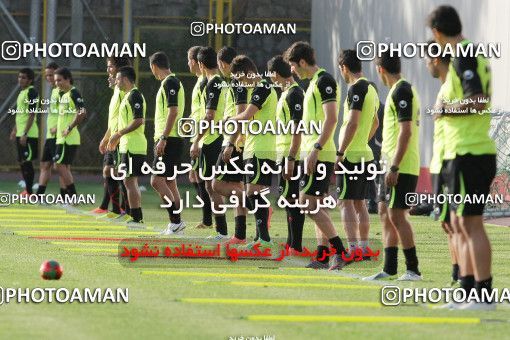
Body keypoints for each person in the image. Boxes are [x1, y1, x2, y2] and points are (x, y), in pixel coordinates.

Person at [428, 5, 496, 310]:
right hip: (462, 151)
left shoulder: (464, 54)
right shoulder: (467, 54)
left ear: (437, 33)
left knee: (470, 224)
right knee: (460, 222)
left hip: (470, 150)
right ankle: (467, 292)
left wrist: (447, 110)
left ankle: (483, 293)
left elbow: (478, 99)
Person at [284, 41, 348, 270]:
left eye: (292, 65)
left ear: (302, 62)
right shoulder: (313, 84)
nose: (291, 71)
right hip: (313, 152)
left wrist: (317, 149)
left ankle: (340, 251)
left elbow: (331, 119)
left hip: (319, 153)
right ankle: (322, 256)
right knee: (317, 205)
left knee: (307, 204)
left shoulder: (324, 81)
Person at [363, 51, 422, 281]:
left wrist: (395, 166)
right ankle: (389, 269)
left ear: (380, 70)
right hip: (389, 163)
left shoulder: (402, 91)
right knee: (384, 212)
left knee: (397, 215)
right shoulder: (397, 92)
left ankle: (413, 269)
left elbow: (406, 131)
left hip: (402, 165)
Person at [224, 55, 277, 247]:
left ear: (247, 73)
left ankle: (264, 238)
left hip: (261, 149)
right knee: (251, 193)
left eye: (239, 78)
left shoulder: (262, 88)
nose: (239, 82)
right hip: (253, 148)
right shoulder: (257, 89)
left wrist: (228, 120)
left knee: (253, 194)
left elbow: (246, 115)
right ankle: (260, 237)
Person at [336, 49, 379, 258]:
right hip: (365, 154)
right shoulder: (372, 88)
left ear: (344, 67)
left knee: (345, 203)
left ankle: (352, 249)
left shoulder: (356, 89)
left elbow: (352, 123)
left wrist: (341, 152)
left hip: (351, 156)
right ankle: (363, 247)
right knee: (360, 203)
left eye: (341, 71)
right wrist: (364, 141)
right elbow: (376, 121)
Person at [424, 39, 458, 287]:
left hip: (453, 162)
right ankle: (457, 273)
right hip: (440, 163)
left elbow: (478, 105)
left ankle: (466, 279)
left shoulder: (455, 83)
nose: (426, 65)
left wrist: (448, 110)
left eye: (427, 60)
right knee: (447, 224)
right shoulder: (444, 87)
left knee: (458, 224)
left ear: (435, 60)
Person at [189, 47, 229, 240]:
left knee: (213, 186)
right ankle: (219, 229)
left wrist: (196, 140)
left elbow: (210, 116)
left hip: (213, 140)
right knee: (210, 185)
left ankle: (222, 231)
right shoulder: (215, 83)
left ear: (201, 65)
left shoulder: (214, 84)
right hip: (213, 138)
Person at [267, 54, 305, 252]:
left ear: (275, 74)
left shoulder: (295, 94)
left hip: (293, 156)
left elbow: (298, 129)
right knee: (288, 199)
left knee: (293, 200)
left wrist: (291, 158)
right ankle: (291, 243)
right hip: (284, 154)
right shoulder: (285, 93)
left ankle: (295, 245)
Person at [211, 46, 249, 244]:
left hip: (236, 142)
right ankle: (240, 235)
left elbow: (242, 112)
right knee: (235, 186)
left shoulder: (237, 83)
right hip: (237, 141)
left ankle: (258, 205)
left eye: (220, 65)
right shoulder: (235, 83)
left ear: (223, 64)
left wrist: (231, 143)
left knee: (216, 184)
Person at [149, 51, 186, 235]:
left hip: (169, 139)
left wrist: (163, 138)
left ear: (154, 66)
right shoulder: (172, 82)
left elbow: (173, 111)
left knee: (156, 180)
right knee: (170, 182)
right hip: (172, 138)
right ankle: (176, 224)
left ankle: (176, 222)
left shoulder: (170, 82)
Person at [107, 66, 147, 227]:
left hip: (133, 145)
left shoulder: (135, 95)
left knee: (130, 181)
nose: (115, 82)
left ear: (124, 79)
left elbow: (139, 120)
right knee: (128, 181)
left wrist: (118, 134)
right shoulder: (128, 96)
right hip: (127, 145)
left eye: (117, 79)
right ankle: (134, 215)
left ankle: (136, 217)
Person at [94, 57, 131, 219]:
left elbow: (125, 117)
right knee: (110, 171)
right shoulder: (118, 88)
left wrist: (116, 136)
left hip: (121, 137)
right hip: (114, 135)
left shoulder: (125, 90)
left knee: (115, 172)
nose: (108, 70)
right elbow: (114, 116)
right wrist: (106, 136)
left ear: (118, 68)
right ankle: (117, 209)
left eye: (110, 66)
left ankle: (123, 209)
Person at [186, 46, 213, 230]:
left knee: (208, 180)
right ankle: (207, 218)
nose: (187, 64)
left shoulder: (205, 82)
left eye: (188, 60)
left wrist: (198, 137)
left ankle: (208, 219)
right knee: (194, 175)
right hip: (197, 134)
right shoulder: (199, 81)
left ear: (195, 62)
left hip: (205, 137)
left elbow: (208, 112)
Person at [54, 67, 87, 201]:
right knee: (64, 167)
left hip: (68, 138)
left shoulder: (74, 93)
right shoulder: (63, 95)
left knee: (59, 166)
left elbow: (83, 112)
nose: (57, 83)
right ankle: (66, 197)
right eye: (56, 81)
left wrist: (69, 127)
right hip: (62, 138)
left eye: (59, 80)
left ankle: (73, 196)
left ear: (68, 79)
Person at [10, 68, 39, 196]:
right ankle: (27, 190)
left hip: (29, 134)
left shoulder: (32, 92)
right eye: (19, 77)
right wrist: (15, 129)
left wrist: (25, 133)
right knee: (22, 161)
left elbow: (32, 114)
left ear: (30, 80)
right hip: (20, 133)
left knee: (27, 162)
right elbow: (21, 114)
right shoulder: (22, 92)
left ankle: (29, 191)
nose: (20, 79)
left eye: (24, 77)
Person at [36, 62, 63, 196]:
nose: (49, 78)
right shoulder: (53, 91)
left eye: (51, 75)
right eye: (47, 76)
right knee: (45, 165)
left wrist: (58, 128)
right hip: (50, 136)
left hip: (59, 135)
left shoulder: (63, 91)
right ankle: (39, 195)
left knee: (62, 167)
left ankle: (67, 197)